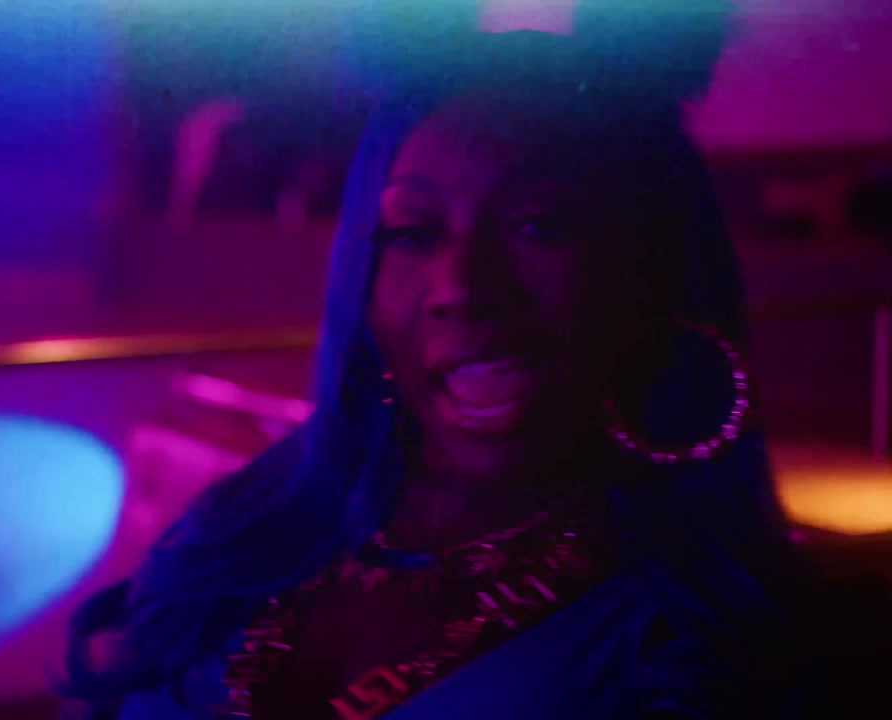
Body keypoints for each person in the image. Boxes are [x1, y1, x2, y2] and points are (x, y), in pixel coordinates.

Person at [64, 6, 816, 719]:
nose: (461, 286)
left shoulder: (689, 629)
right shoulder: (240, 530)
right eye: (413, 232)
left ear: (650, 272)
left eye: (538, 225)